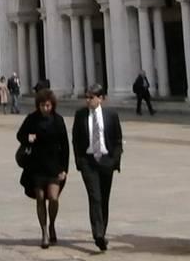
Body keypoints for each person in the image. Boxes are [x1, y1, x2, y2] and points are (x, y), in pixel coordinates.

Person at [15, 88, 70, 249]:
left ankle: (52, 223)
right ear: (38, 106)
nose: (45, 108)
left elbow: (65, 146)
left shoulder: (58, 120)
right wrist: (28, 137)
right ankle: (44, 231)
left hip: (54, 165)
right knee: (40, 198)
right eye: (42, 105)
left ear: (52, 105)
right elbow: (20, 135)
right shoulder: (32, 119)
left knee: (53, 197)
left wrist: (64, 169)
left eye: (48, 105)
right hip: (36, 166)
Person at [71, 83, 123, 252]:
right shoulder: (80, 115)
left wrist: (115, 160)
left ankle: (102, 231)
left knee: (104, 199)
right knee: (95, 197)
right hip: (89, 162)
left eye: (91, 97)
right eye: (86, 97)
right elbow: (76, 139)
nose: (88, 100)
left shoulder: (111, 115)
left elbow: (117, 139)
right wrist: (80, 161)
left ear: (101, 98)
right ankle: (98, 234)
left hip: (106, 161)